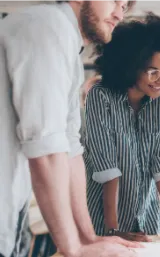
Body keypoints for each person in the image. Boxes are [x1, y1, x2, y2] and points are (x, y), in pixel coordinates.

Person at [0, 0, 141, 256]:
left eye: (125, 6)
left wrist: (87, 237)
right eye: (115, 1)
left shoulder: (68, 44)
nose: (120, 13)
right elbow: (45, 148)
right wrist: (72, 248)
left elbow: (70, 150)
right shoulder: (46, 26)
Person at [84, 13, 160, 241]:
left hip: (147, 221)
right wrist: (113, 230)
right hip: (103, 224)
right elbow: (107, 169)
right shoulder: (100, 96)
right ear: (131, 66)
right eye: (153, 71)